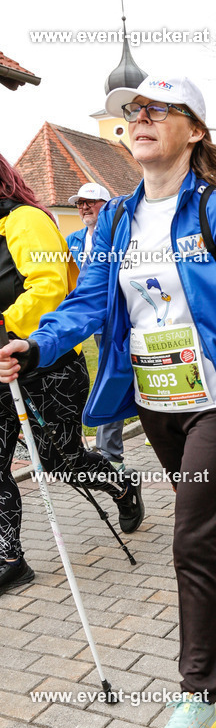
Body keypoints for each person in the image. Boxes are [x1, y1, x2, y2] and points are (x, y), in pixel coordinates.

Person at [0, 75, 216, 728]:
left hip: (215, 400)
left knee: (189, 538)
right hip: (156, 400)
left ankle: (197, 699)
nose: (140, 118)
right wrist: (35, 346)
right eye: (133, 111)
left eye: (159, 110)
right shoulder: (119, 219)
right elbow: (87, 305)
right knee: (204, 513)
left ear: (194, 131)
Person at [0, 157, 144, 597]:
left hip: (49, 365)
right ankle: (10, 557)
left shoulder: (24, 220)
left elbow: (50, 288)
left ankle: (122, 485)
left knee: (60, 461)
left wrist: (5, 325)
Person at [67, 182, 127, 471]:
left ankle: (109, 452)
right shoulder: (72, 241)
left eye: (89, 201)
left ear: (106, 204)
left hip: (120, 321)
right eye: (79, 203)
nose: (83, 207)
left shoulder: (119, 236)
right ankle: (103, 449)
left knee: (114, 379)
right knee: (108, 378)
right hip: (90, 323)